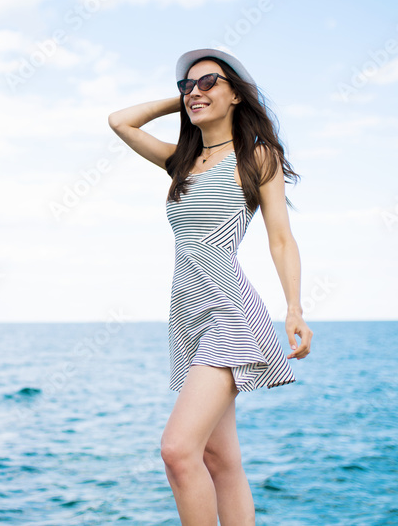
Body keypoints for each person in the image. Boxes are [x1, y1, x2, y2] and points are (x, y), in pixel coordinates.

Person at [107, 48, 312, 525]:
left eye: (207, 83)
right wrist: (180, 101)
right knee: (220, 460)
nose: (194, 92)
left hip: (227, 309)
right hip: (186, 315)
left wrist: (295, 308)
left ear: (236, 94)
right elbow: (120, 122)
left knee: (177, 451)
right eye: (187, 85)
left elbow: (281, 238)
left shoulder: (257, 156)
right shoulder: (181, 160)